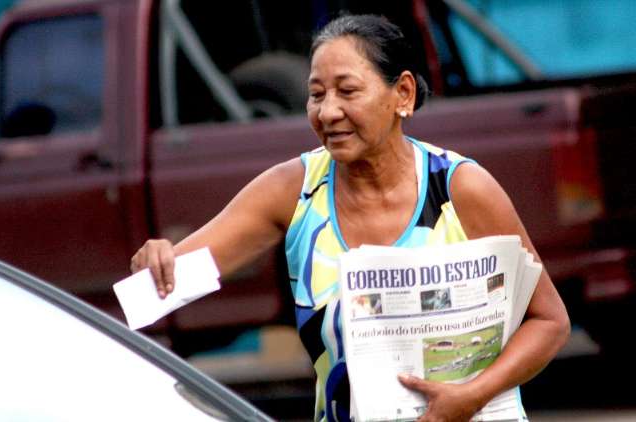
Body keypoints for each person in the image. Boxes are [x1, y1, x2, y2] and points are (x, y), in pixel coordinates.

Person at [130, 14, 570, 422]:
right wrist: (157, 260)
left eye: (348, 91)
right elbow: (164, 282)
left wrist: (473, 394)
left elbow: (549, 322)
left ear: (403, 94)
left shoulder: (461, 189)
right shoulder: (293, 190)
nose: (327, 112)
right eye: (316, 94)